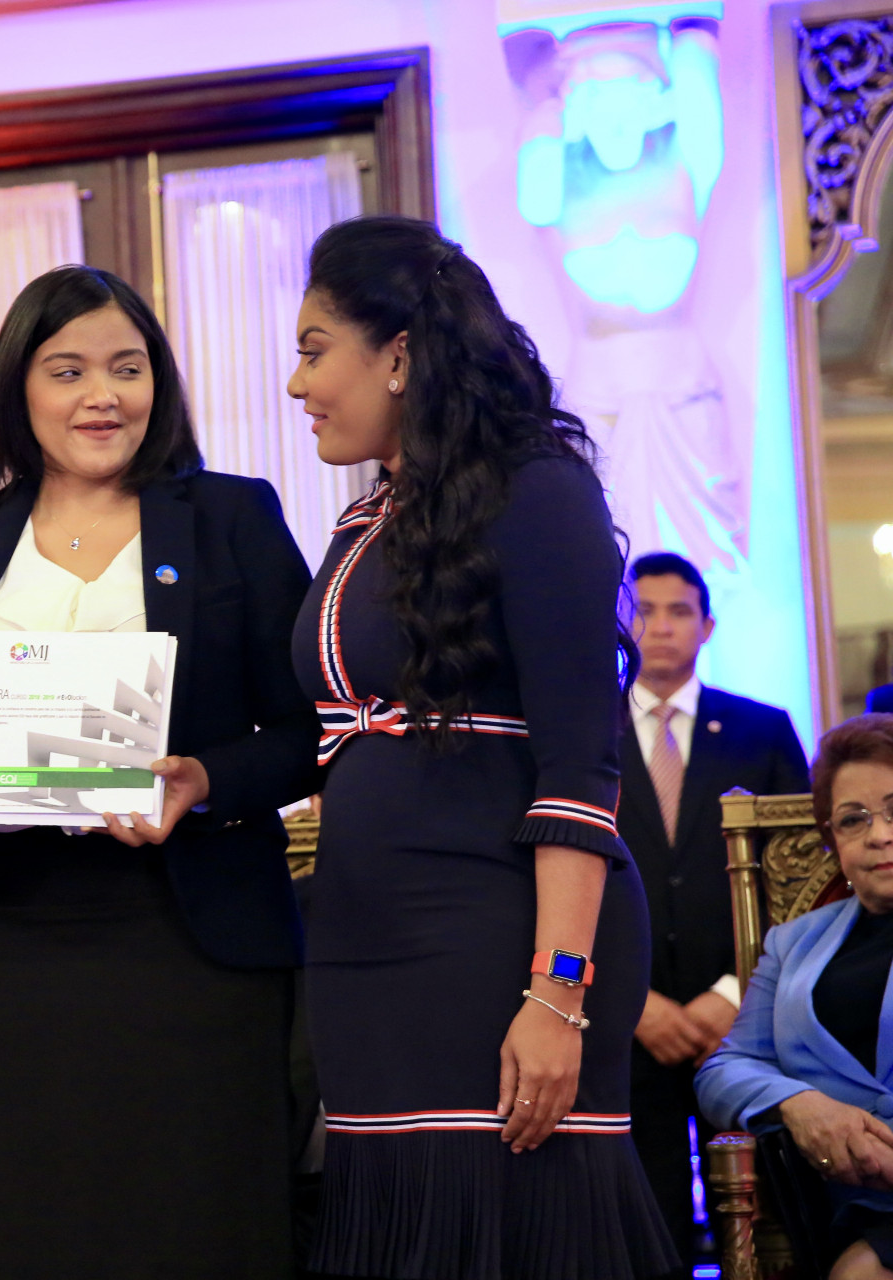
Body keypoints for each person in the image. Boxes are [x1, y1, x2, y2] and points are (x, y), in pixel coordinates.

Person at [0, 265, 321, 1278]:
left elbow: (310, 729)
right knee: (43, 1231)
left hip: (194, 944)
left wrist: (203, 779)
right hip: (15, 953)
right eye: (67, 370)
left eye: (127, 367)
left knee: (204, 1230)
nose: (102, 395)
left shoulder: (232, 517)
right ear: (19, 388)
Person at [286, 214, 677, 1279]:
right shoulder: (369, 517)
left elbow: (581, 768)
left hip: (498, 940)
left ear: (400, 353)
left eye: (315, 349)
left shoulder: (538, 487)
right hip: (366, 948)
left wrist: (557, 993)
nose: (296, 382)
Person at [620, 549, 810, 1256]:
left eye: (679, 612)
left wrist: (736, 993)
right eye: (644, 612)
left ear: (707, 626)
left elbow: (800, 879)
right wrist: (631, 1002)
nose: (661, 626)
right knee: (647, 1230)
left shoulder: (763, 730)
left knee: (768, 1224)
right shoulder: (581, 735)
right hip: (623, 1024)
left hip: (747, 1022)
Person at [696, 714, 893, 1280]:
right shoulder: (793, 942)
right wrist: (800, 1104)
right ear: (832, 840)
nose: (879, 834)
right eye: (853, 819)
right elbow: (723, 1069)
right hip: (835, 1206)